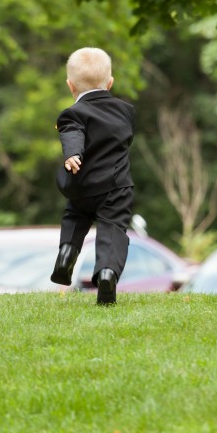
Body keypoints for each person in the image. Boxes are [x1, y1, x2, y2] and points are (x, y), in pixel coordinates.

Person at [50, 47, 135, 305]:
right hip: (115, 187)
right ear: (110, 83)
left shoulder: (72, 113)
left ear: (70, 85)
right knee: (112, 228)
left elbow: (72, 131)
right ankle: (107, 273)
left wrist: (72, 155)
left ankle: (67, 253)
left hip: (81, 186)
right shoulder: (126, 111)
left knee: (75, 215)